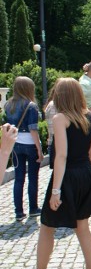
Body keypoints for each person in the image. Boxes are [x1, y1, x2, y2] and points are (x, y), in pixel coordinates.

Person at [26, 78, 91, 269]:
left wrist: (56, 190)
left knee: (47, 226)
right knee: (83, 228)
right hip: (86, 173)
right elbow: (89, 154)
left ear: (60, 96)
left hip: (67, 176)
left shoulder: (61, 118)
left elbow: (61, 156)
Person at [4, 76, 44, 220]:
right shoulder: (31, 105)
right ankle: (33, 208)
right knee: (33, 177)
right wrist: (39, 149)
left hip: (15, 144)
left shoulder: (8, 105)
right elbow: (33, 130)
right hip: (30, 144)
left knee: (18, 178)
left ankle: (18, 212)